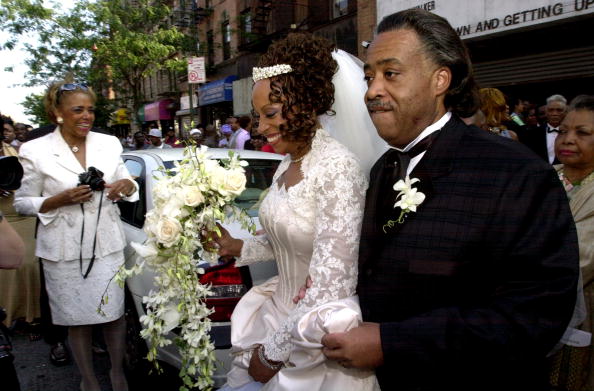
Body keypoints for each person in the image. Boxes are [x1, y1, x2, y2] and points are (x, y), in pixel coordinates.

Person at [316, 9, 579, 391]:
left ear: (440, 79)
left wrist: (392, 343)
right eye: (369, 76)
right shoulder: (382, 169)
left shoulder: (515, 173)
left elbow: (534, 315)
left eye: (390, 74)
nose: (372, 90)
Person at [214, 33, 379, 391]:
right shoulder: (285, 164)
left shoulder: (338, 169)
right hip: (274, 314)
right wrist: (238, 247)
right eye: (257, 117)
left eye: (269, 114)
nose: (260, 128)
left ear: (304, 103)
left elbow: (333, 281)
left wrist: (272, 354)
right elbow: (288, 240)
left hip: (312, 336)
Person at [14, 79, 139, 391]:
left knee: (113, 315)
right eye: (78, 110)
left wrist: (127, 186)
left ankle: (116, 372)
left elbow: (126, 178)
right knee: (76, 320)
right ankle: (88, 380)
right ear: (57, 112)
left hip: (106, 245)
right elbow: (21, 202)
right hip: (63, 250)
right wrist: (58, 200)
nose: (87, 116)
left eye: (91, 110)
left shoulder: (109, 143)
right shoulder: (34, 150)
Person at [552, 95, 594, 391]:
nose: (567, 139)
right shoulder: (542, 177)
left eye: (582, 133)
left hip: (585, 307)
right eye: (563, 131)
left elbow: (582, 257)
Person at [523, 94, 568, 164]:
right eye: (551, 110)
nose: (555, 113)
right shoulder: (532, 134)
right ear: (546, 112)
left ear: (566, 112)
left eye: (559, 110)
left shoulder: (572, 134)